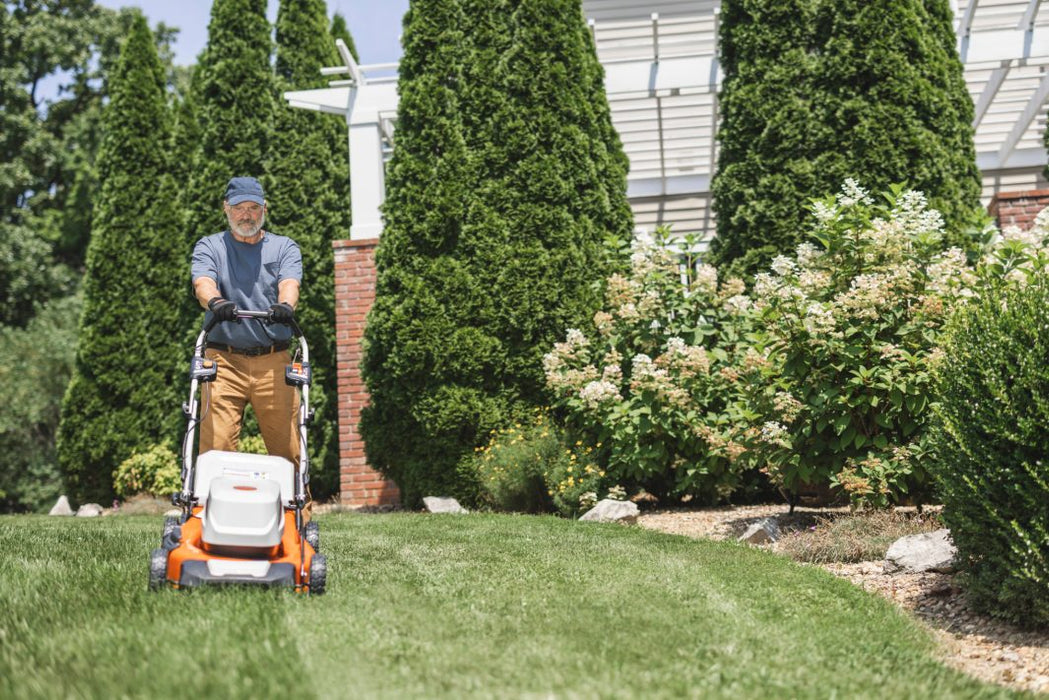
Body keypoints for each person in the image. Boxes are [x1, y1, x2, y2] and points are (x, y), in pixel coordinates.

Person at [190, 176, 304, 475]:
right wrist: (216, 302)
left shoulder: (283, 247)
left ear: (264, 209)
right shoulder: (210, 246)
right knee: (216, 448)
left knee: (288, 450)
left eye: (253, 208)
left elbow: (290, 284)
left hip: (273, 361)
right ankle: (210, 504)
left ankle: (296, 505)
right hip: (223, 361)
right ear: (226, 208)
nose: (246, 215)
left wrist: (285, 306)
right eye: (239, 208)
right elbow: (203, 283)